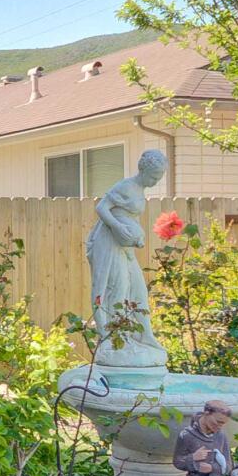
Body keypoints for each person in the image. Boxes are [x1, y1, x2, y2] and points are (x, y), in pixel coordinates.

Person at [86, 146, 170, 370]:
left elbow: (129, 216)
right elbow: (102, 208)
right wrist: (120, 229)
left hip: (125, 246)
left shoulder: (139, 190)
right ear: (143, 170)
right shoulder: (126, 186)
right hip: (109, 241)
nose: (156, 181)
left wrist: (136, 236)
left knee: (138, 290)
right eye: (154, 176)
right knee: (115, 287)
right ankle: (111, 336)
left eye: (159, 177)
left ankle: (143, 336)